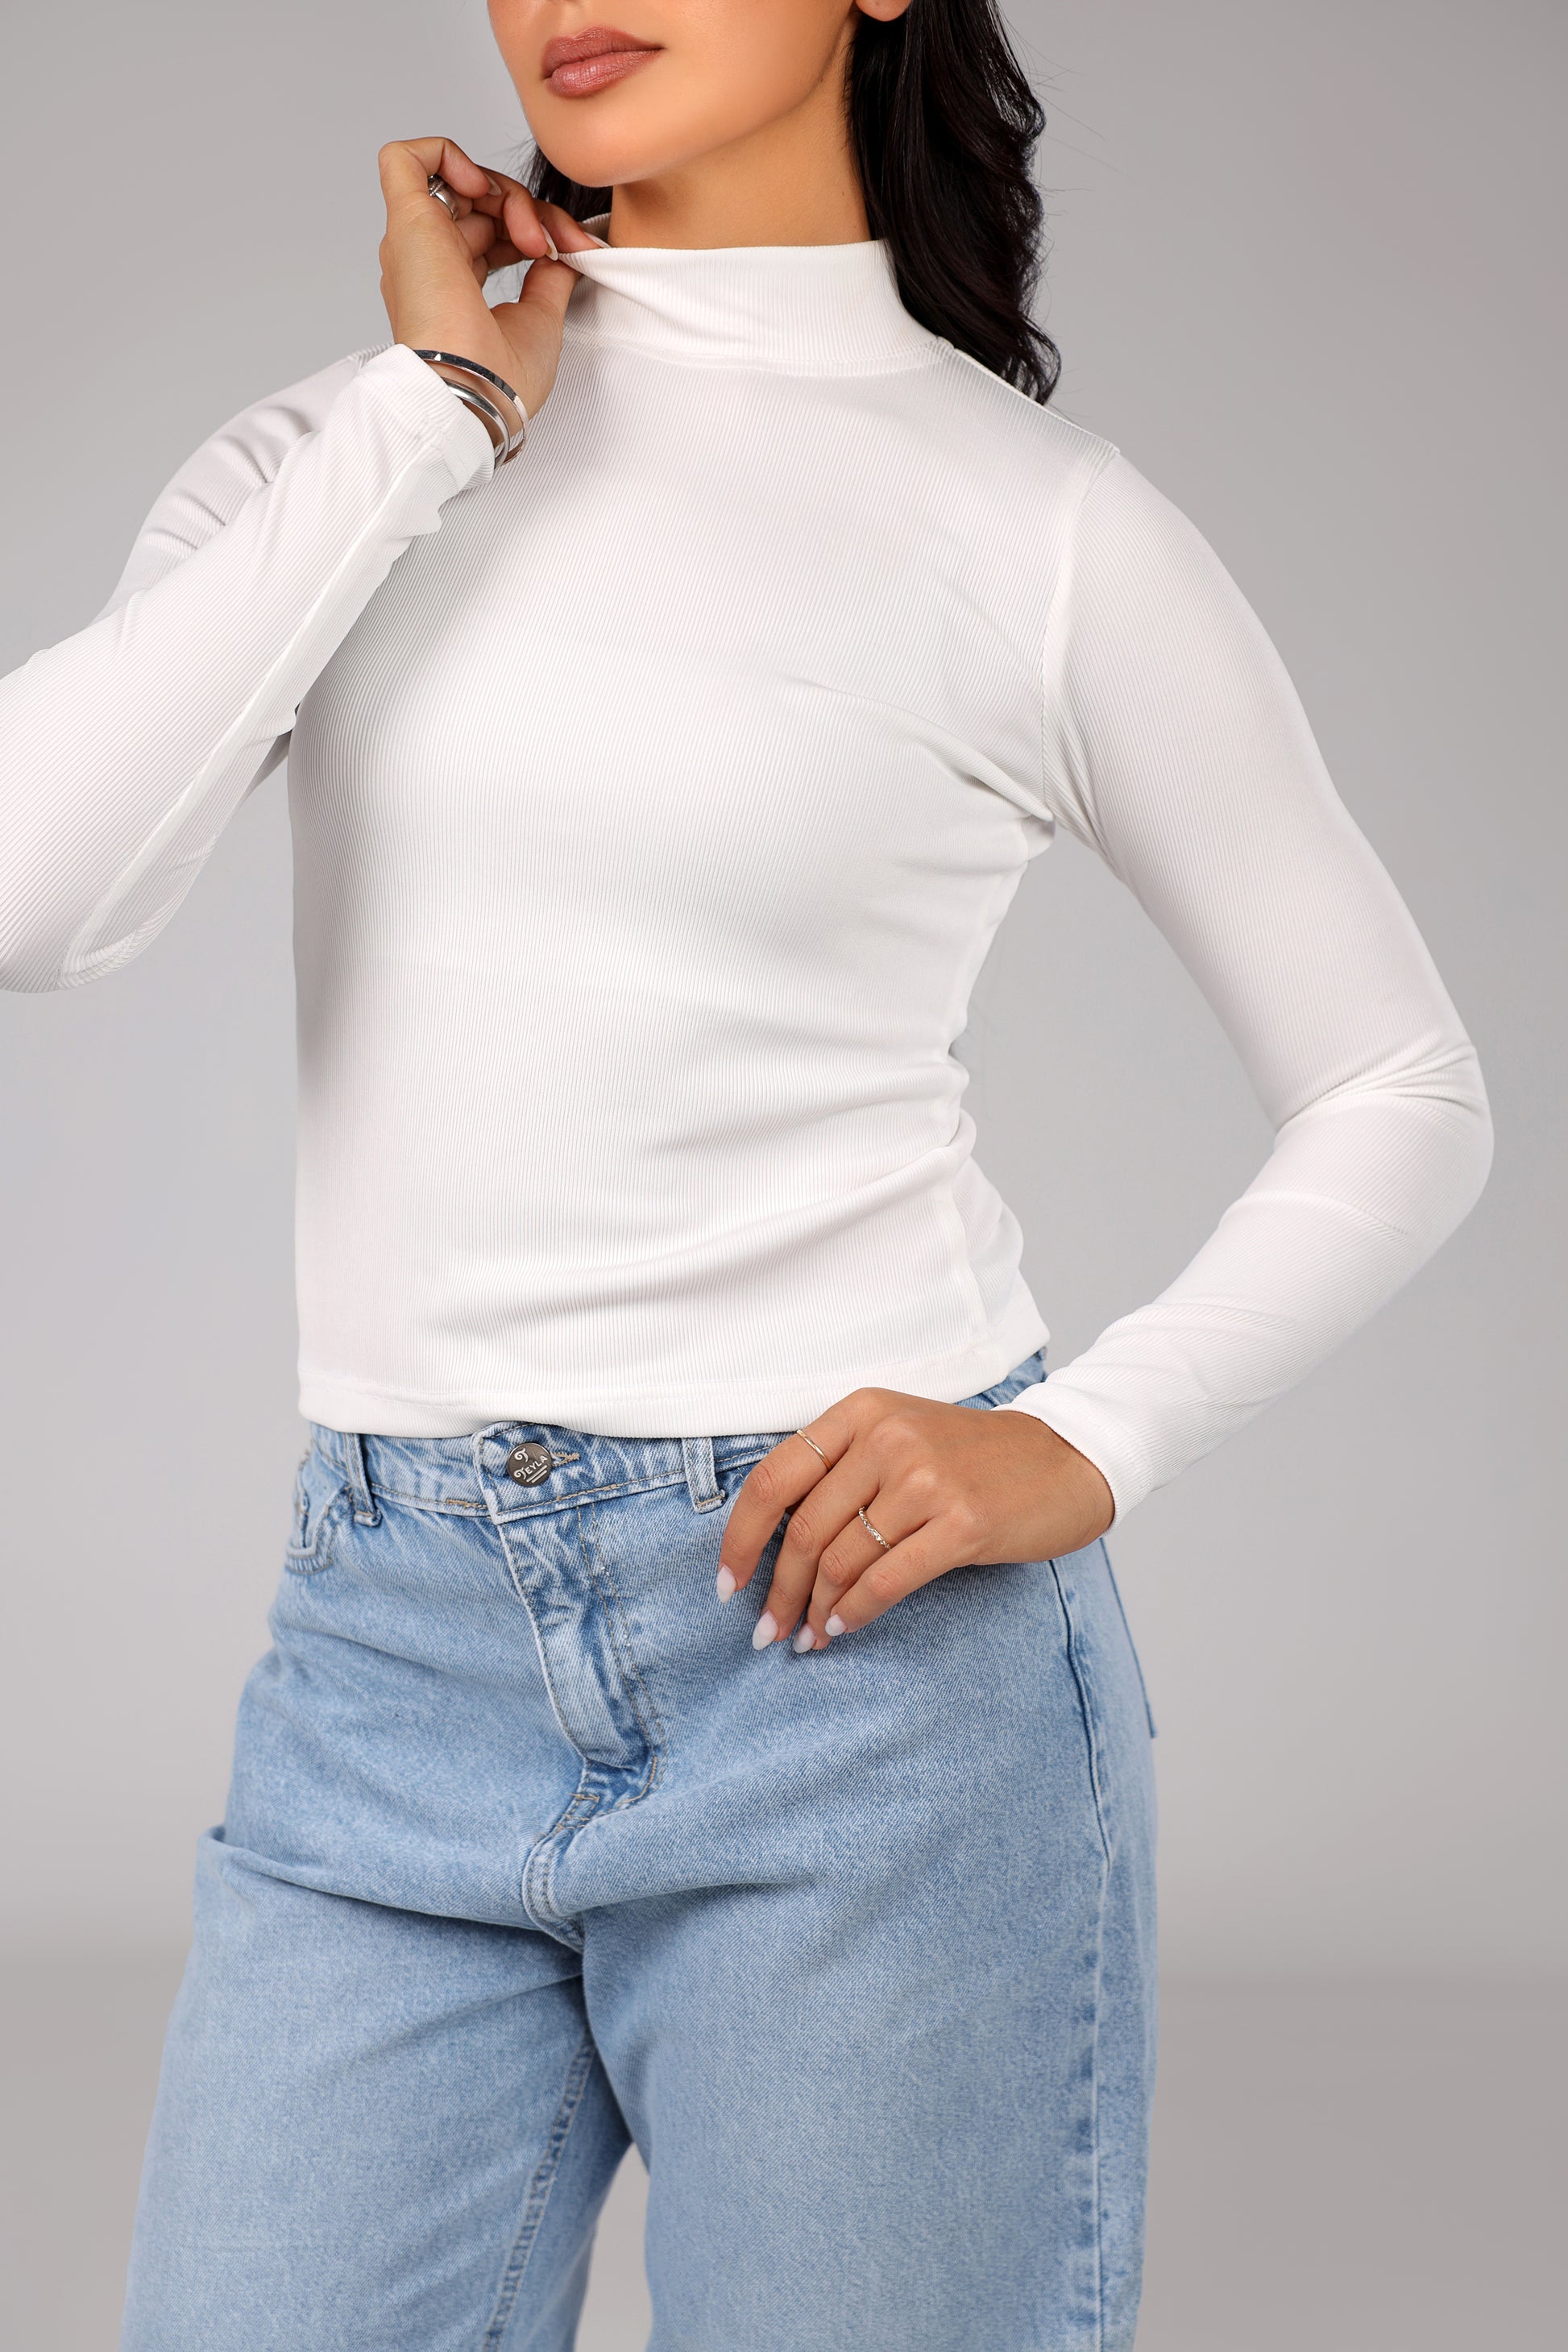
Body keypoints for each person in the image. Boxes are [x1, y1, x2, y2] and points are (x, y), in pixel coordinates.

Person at [0, 4, 1492, 2346]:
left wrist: (1086, 1440)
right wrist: (431, 410)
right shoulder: (345, 450)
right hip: (386, 1664)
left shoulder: (1036, 524)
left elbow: (1400, 1086)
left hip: (859, 1685)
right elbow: (31, 892)